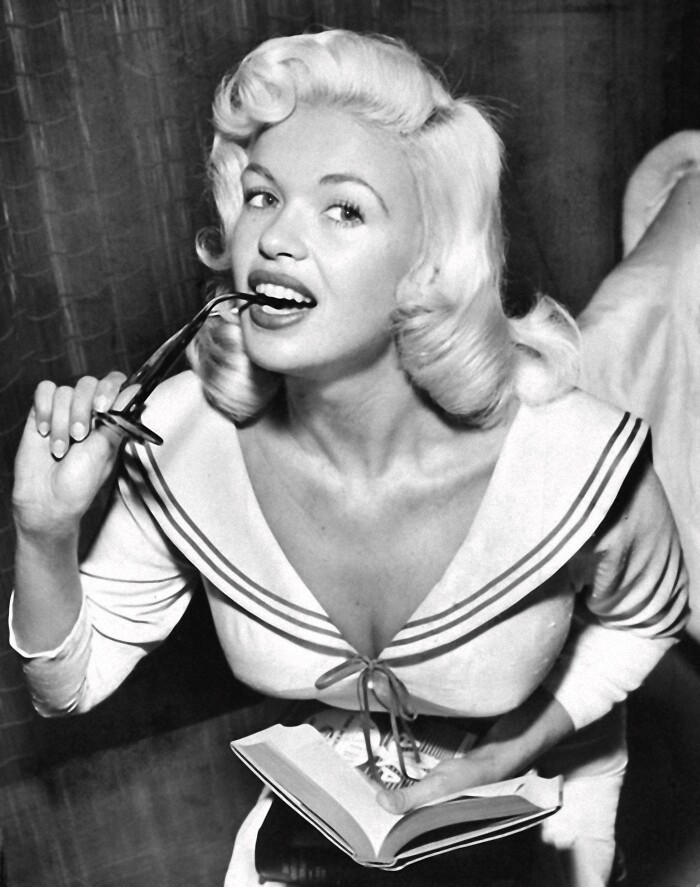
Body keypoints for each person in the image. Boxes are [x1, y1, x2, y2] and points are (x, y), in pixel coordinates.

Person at [10, 30, 688, 887]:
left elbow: (644, 617)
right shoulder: (182, 440)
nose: (275, 238)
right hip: (330, 814)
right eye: (263, 196)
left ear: (429, 262)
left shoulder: (574, 458)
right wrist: (44, 530)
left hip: (542, 793)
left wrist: (515, 745)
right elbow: (65, 688)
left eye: (344, 209)